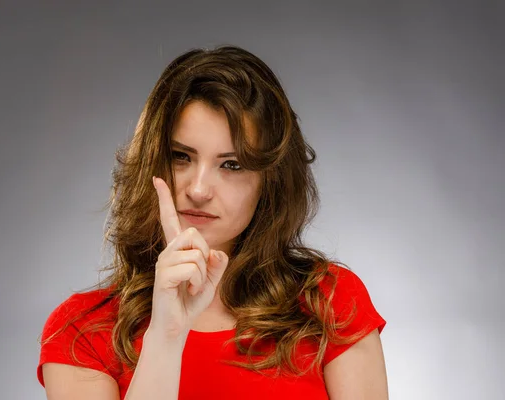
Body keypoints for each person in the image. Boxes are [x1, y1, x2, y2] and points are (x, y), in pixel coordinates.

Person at [36, 45, 388, 399]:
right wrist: (166, 337)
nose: (199, 189)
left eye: (231, 164)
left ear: (270, 182)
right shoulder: (81, 331)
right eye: (180, 157)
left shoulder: (330, 302)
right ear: (150, 164)